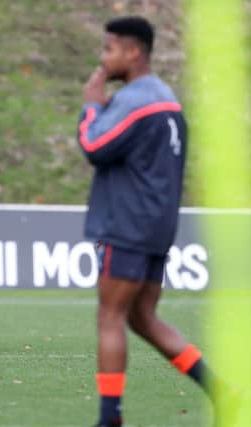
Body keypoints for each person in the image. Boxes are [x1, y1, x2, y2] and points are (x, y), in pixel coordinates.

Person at [77, 16, 222, 427]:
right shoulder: (167, 99)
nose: (103, 59)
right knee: (142, 317)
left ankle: (110, 418)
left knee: (110, 316)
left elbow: (94, 144)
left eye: (109, 50)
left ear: (133, 52)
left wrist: (91, 104)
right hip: (157, 226)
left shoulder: (137, 99)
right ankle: (223, 393)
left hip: (127, 225)